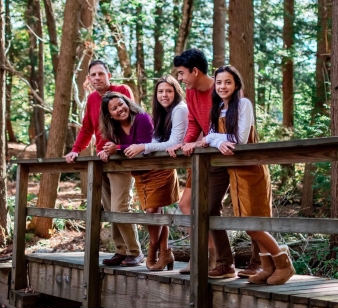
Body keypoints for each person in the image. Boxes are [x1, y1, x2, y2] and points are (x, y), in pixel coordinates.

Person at [168, 49, 261, 278]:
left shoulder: (222, 89)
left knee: (251, 208)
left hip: (237, 153)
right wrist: (187, 144)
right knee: (205, 208)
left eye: (181, 74)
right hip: (211, 154)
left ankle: (259, 262)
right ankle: (223, 263)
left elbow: (237, 132)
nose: (180, 79)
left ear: (195, 71)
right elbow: (194, 123)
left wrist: (206, 140)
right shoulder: (191, 93)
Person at [202, 65, 295, 285]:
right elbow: (209, 137)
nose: (223, 86)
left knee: (254, 223)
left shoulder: (243, 104)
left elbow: (239, 139)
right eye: (219, 82)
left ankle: (284, 265)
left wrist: (215, 138)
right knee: (248, 223)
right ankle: (267, 266)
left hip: (251, 170)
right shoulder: (216, 109)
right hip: (234, 173)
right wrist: (215, 139)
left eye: (228, 82)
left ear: (236, 85)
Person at [65, 60, 144, 267]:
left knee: (120, 207)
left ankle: (135, 251)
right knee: (110, 209)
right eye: (93, 75)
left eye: (101, 73)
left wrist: (116, 147)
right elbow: (86, 128)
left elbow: (130, 119)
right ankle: (121, 251)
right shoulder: (92, 99)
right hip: (101, 160)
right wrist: (75, 150)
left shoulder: (121, 90)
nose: (97, 77)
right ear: (89, 79)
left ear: (109, 74)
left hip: (120, 158)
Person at [98, 91, 180, 271]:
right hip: (140, 174)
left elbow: (143, 146)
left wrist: (117, 148)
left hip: (157, 169)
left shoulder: (141, 118)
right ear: (109, 115)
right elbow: (111, 147)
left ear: (127, 102)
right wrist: (105, 151)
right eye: (114, 108)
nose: (120, 109)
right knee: (154, 213)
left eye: (121, 104)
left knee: (152, 211)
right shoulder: (114, 129)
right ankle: (166, 252)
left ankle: (151, 253)